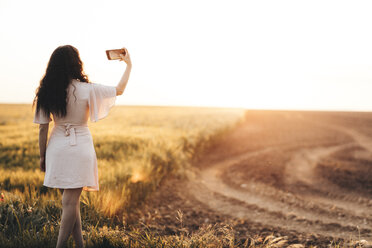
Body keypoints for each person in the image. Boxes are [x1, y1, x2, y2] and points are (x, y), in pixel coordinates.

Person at [32, 45, 132, 248]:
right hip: (81, 148)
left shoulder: (46, 91)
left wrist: (43, 157)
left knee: (70, 202)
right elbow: (119, 90)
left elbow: (43, 129)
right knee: (70, 202)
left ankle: (80, 245)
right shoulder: (87, 89)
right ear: (76, 63)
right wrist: (128, 65)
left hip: (57, 149)